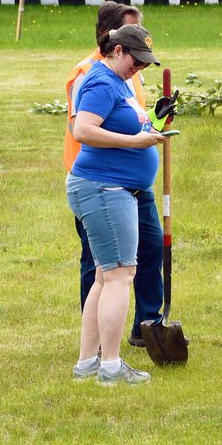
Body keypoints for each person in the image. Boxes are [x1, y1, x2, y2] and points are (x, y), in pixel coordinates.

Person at [66, 24, 169, 386]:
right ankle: (110, 366)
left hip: (113, 189)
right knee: (121, 276)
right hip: (104, 188)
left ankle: (87, 364)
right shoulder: (98, 81)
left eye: (144, 64)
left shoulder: (118, 81)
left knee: (104, 276)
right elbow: (83, 131)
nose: (138, 68)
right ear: (118, 51)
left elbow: (127, 123)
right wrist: (136, 142)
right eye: (136, 61)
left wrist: (153, 125)